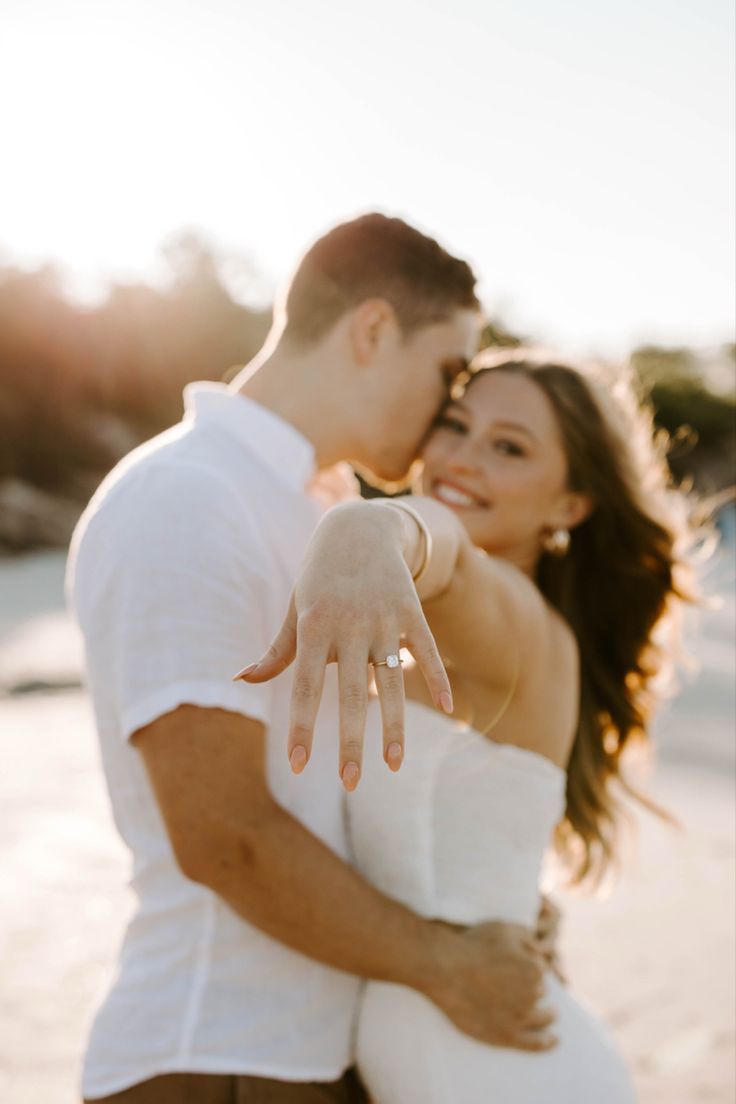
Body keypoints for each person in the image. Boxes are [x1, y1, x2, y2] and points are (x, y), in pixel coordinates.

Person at [67, 215, 560, 1104]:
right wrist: (446, 962)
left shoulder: (314, 503)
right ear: (372, 331)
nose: (450, 411)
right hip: (216, 1053)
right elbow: (227, 837)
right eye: (449, 372)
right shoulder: (188, 495)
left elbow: (339, 792)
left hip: (310, 1052)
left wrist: (487, 900)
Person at [240, 347, 695, 1102]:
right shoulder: (422, 625)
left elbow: (442, 550)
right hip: (459, 1052)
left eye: (509, 447)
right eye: (455, 425)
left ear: (568, 507)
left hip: (493, 1067)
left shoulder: (517, 618)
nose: (461, 458)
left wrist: (373, 525)